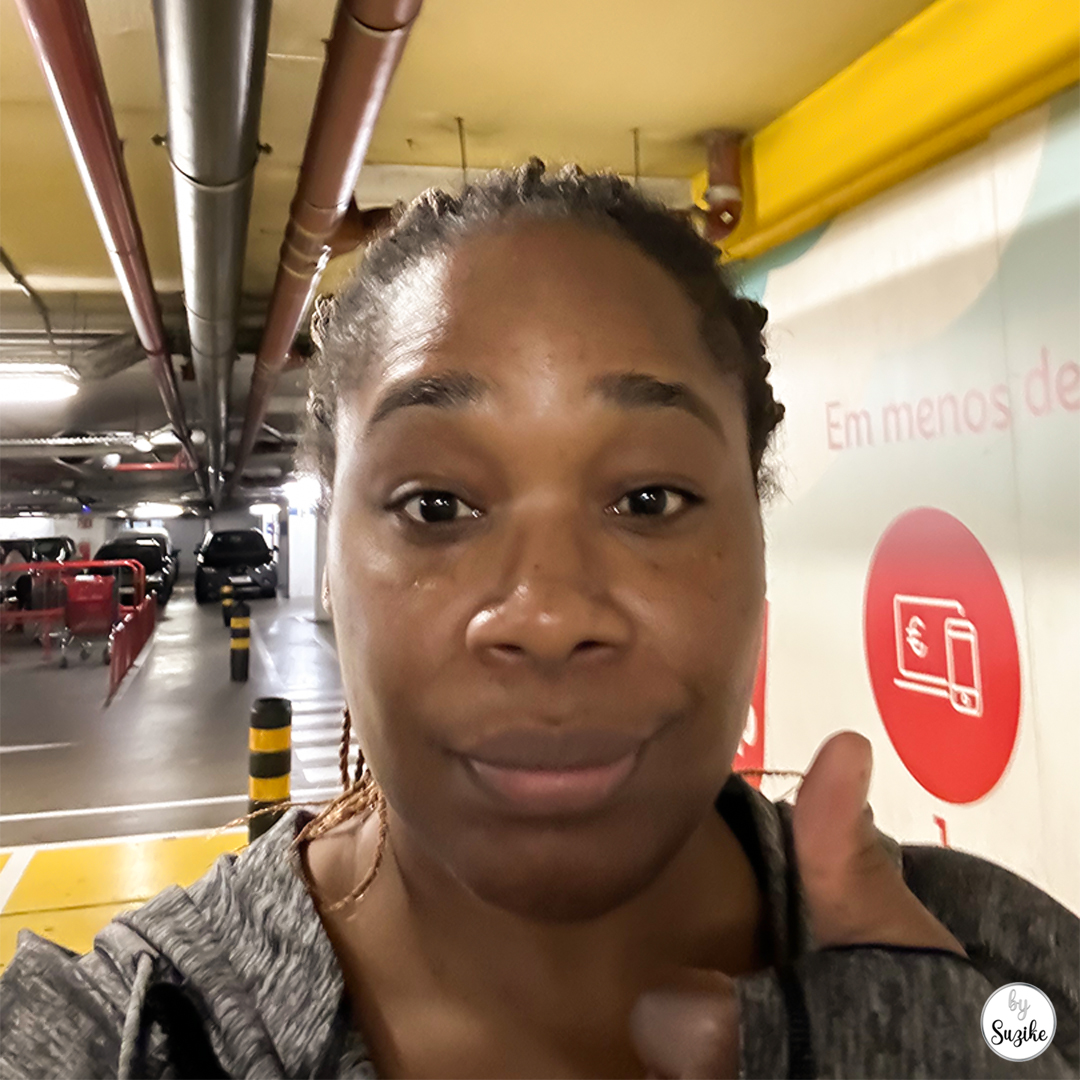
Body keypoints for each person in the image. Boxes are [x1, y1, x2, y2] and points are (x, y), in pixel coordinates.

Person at [1, 161, 1076, 1079]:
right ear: (335, 560)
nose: (549, 614)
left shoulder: (1002, 973)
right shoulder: (128, 1036)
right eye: (437, 507)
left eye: (648, 501)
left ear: (757, 541)